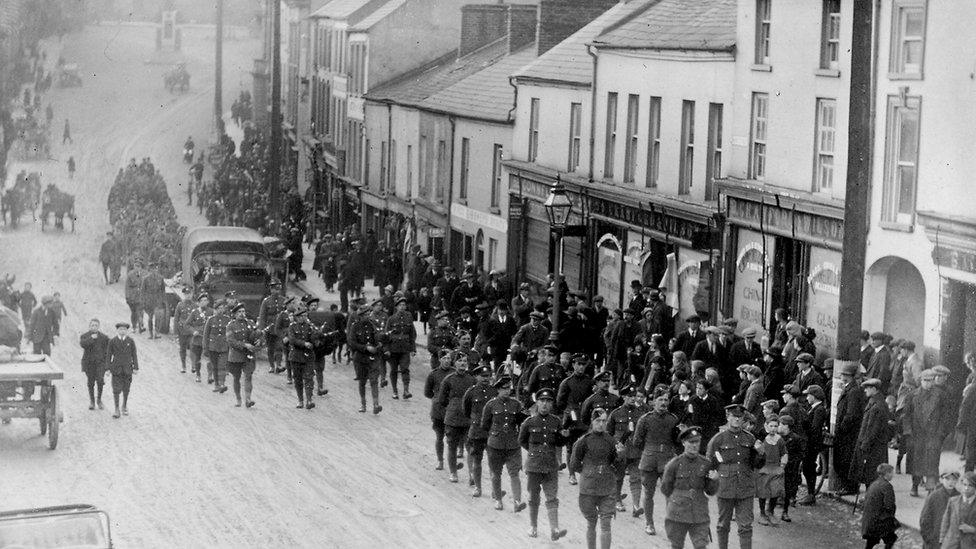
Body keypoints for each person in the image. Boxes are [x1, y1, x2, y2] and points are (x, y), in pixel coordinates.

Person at [519, 387, 570, 540]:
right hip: (534, 466)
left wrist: (565, 437)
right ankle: (533, 526)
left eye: (548, 401)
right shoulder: (529, 422)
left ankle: (554, 529)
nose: (545, 404)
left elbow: (559, 442)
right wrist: (535, 452)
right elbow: (522, 441)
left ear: (552, 404)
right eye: (542, 401)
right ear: (537, 402)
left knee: (552, 497)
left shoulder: (556, 421)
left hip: (550, 466)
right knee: (534, 497)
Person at [706, 403, 758, 549]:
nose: (737, 419)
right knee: (723, 525)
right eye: (734, 416)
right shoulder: (718, 439)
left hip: (745, 487)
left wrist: (761, 452)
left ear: (743, 419)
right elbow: (709, 463)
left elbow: (757, 463)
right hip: (725, 486)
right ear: (728, 417)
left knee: (746, 526)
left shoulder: (750, 438)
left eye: (740, 417)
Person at [571, 407, 622, 549]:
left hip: (607, 487)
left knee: (606, 524)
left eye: (604, 421)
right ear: (592, 422)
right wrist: (588, 472)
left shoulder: (611, 441)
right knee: (591, 523)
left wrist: (620, 455)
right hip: (589, 488)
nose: (601, 424)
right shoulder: (583, 441)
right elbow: (574, 464)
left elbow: (617, 463)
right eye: (598, 420)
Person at [661, 426, 719, 549]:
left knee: (701, 545)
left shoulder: (706, 464)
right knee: (676, 545)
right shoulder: (674, 464)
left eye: (697, 442)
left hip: (699, 512)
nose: (694, 445)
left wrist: (714, 480)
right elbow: (665, 489)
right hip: (678, 513)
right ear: (683, 443)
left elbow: (710, 491)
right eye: (691, 442)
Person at [632, 388, 679, 535]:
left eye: (666, 400)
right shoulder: (645, 419)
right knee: (649, 493)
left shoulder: (673, 419)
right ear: (653, 402)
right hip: (649, 461)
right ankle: (649, 523)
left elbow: (678, 441)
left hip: (667, 461)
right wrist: (650, 450)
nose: (664, 403)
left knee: (670, 494)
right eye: (660, 400)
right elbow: (637, 442)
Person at [481, 375, 526, 512]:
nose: (507, 391)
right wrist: (494, 435)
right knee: (496, 473)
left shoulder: (516, 404)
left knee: (515, 473)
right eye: (504, 389)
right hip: (495, 444)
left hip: (513, 444)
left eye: (509, 388)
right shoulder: (490, 405)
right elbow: (485, 425)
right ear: (498, 390)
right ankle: (498, 500)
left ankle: (517, 502)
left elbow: (521, 423)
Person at [607, 385, 649, 519]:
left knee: (636, 479)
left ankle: (636, 506)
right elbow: (609, 433)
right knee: (618, 477)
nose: (632, 398)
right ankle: (617, 500)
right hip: (621, 452)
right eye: (629, 396)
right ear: (624, 397)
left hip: (636, 451)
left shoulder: (641, 414)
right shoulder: (616, 413)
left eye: (634, 396)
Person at [853, 378, 895, 493]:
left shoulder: (877, 406)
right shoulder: (875, 402)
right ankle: (870, 495)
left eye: (867, 388)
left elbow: (872, 429)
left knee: (871, 474)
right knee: (870, 473)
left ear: (874, 389)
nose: (865, 390)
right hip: (874, 445)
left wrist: (865, 445)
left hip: (873, 446)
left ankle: (871, 496)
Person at [439, 355, 476, 483]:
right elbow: (442, 400)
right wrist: (453, 407)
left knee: (470, 447)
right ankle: (453, 473)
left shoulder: (472, 380)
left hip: (468, 420)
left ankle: (472, 474)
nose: (462, 363)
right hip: (452, 419)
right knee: (452, 446)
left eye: (465, 361)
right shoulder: (448, 380)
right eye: (459, 361)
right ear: (454, 363)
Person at [462, 364, 496, 496]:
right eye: (483, 376)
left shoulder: (494, 392)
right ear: (476, 377)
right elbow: (466, 411)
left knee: (493, 462)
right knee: (477, 460)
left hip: (492, 432)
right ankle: (478, 487)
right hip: (476, 432)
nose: (486, 379)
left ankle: (495, 489)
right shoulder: (471, 392)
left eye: (488, 376)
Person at [835, 362, 867, 495]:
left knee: (846, 460)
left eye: (843, 374)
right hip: (847, 432)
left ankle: (850, 487)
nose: (841, 376)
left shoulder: (853, 391)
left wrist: (842, 428)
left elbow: (851, 414)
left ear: (848, 376)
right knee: (844, 459)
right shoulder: (850, 388)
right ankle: (847, 486)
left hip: (848, 434)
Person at [348, 299, 384, 414]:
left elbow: (378, 338)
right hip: (361, 358)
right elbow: (352, 343)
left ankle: (376, 404)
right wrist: (365, 348)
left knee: (374, 380)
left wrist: (380, 343)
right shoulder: (355, 326)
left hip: (373, 357)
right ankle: (363, 404)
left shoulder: (373, 325)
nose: (368, 316)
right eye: (365, 315)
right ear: (360, 316)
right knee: (362, 382)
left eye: (369, 314)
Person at [226, 303, 261, 408]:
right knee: (236, 378)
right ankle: (238, 399)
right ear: (235, 314)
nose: (242, 314)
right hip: (236, 356)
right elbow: (231, 341)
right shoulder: (230, 325)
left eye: (243, 312)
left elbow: (257, 335)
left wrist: (259, 341)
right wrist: (245, 345)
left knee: (248, 376)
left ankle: (248, 399)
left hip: (248, 355)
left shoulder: (250, 323)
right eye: (239, 312)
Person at [755, 414, 788, 526]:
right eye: (771, 426)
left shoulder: (780, 440)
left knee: (775, 491)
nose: (773, 428)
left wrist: (782, 466)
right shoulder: (762, 440)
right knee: (763, 492)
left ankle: (770, 511)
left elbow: (784, 453)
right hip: (764, 468)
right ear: (766, 426)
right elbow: (757, 453)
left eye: (775, 426)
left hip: (776, 468)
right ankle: (762, 513)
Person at [798, 384, 828, 506]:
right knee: (807, 468)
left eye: (808, 395)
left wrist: (804, 425)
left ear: (814, 396)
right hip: (810, 443)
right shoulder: (815, 408)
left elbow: (815, 428)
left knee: (809, 468)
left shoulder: (819, 409)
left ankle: (811, 494)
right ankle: (810, 494)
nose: (807, 398)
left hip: (812, 444)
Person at [385, 297, 417, 399]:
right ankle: (395, 391)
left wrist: (413, 348)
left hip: (405, 348)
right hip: (393, 349)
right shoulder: (391, 319)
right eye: (400, 305)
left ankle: (406, 390)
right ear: (397, 307)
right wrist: (386, 349)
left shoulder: (409, 318)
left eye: (404, 305)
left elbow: (412, 334)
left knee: (405, 369)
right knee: (393, 370)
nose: (402, 307)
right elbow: (386, 336)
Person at [862, 463, 899, 549]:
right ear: (887, 474)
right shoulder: (887, 486)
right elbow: (889, 505)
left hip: (870, 521)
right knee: (891, 539)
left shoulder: (874, 483)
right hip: (880, 522)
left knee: (870, 543)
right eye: (891, 473)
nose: (893, 475)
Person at [287, 305, 317, 410]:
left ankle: (309, 400)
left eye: (305, 316)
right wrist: (304, 344)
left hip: (308, 356)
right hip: (296, 356)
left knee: (309, 378)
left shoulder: (310, 327)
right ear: (297, 317)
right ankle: (300, 400)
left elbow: (315, 340)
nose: (304, 318)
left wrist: (316, 335)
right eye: (301, 316)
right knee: (298, 380)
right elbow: (292, 340)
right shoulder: (292, 327)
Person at [919, 471, 959, 549]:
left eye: (954, 479)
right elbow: (924, 520)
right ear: (941, 479)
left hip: (952, 542)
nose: (951, 482)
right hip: (934, 541)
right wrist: (929, 539)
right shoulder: (933, 497)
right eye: (947, 479)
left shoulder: (959, 497)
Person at [107, 322, 138, 419]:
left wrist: (136, 367)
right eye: (120, 329)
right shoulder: (112, 341)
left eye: (124, 329)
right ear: (117, 330)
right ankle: (116, 409)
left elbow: (134, 355)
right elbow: (108, 356)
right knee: (116, 390)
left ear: (127, 331)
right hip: (116, 369)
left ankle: (124, 405)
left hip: (128, 369)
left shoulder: (130, 341)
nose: (122, 331)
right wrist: (108, 368)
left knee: (126, 389)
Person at [940, 471, 976, 549]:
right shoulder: (953, 501)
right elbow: (945, 521)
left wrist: (972, 530)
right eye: (964, 485)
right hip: (950, 544)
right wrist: (942, 540)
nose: (966, 488)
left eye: (970, 485)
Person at [79, 318, 109, 410]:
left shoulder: (104, 337)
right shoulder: (85, 336)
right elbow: (83, 344)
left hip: (100, 363)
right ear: (89, 326)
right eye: (92, 325)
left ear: (98, 327)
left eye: (96, 325)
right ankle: (92, 401)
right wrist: (91, 338)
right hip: (89, 364)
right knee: (90, 382)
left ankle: (99, 400)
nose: (94, 327)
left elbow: (108, 349)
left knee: (100, 380)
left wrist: (107, 365)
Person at [203, 299, 231, 392]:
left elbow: (231, 335)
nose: (220, 310)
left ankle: (222, 383)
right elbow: (206, 335)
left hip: (224, 346)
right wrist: (205, 348)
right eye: (218, 308)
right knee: (214, 366)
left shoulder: (228, 320)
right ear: (215, 309)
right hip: (213, 347)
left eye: (222, 308)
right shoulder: (210, 320)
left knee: (222, 365)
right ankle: (216, 385)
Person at [186, 293, 213, 382]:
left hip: (208, 339)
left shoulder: (211, 312)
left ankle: (210, 376)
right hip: (198, 339)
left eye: (205, 300)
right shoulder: (195, 312)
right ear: (198, 303)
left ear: (208, 302)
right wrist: (193, 331)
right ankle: (198, 374)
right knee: (197, 358)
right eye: (201, 301)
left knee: (210, 358)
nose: (203, 302)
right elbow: (187, 324)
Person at [140, 262, 165, 339]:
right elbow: (142, 291)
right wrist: (143, 302)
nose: (154, 270)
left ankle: (157, 332)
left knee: (158, 317)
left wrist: (162, 300)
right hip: (149, 301)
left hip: (157, 300)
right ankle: (150, 333)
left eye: (155, 269)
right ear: (150, 270)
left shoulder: (160, 278)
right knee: (150, 318)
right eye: (152, 269)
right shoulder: (145, 279)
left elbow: (163, 290)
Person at [173, 287, 194, 373]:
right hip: (182, 331)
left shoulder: (195, 305)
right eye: (186, 294)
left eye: (189, 294)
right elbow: (176, 319)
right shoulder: (180, 305)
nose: (188, 296)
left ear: (192, 294)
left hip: (192, 331)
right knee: (182, 349)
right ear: (184, 295)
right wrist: (175, 333)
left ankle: (193, 365)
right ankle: (183, 366)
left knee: (193, 348)